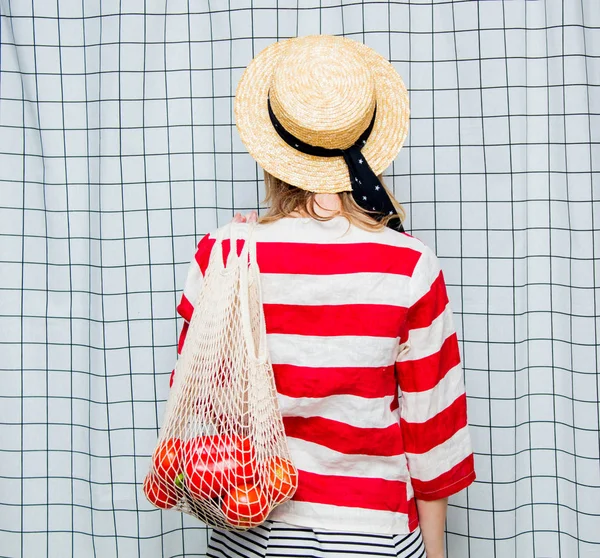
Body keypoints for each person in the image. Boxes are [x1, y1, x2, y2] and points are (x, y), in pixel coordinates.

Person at [172, 35, 475, 558]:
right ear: (368, 137)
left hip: (252, 527)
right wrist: (437, 552)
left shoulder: (222, 255)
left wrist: (240, 252)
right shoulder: (409, 264)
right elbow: (433, 431)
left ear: (273, 146)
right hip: (375, 534)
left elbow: (199, 394)